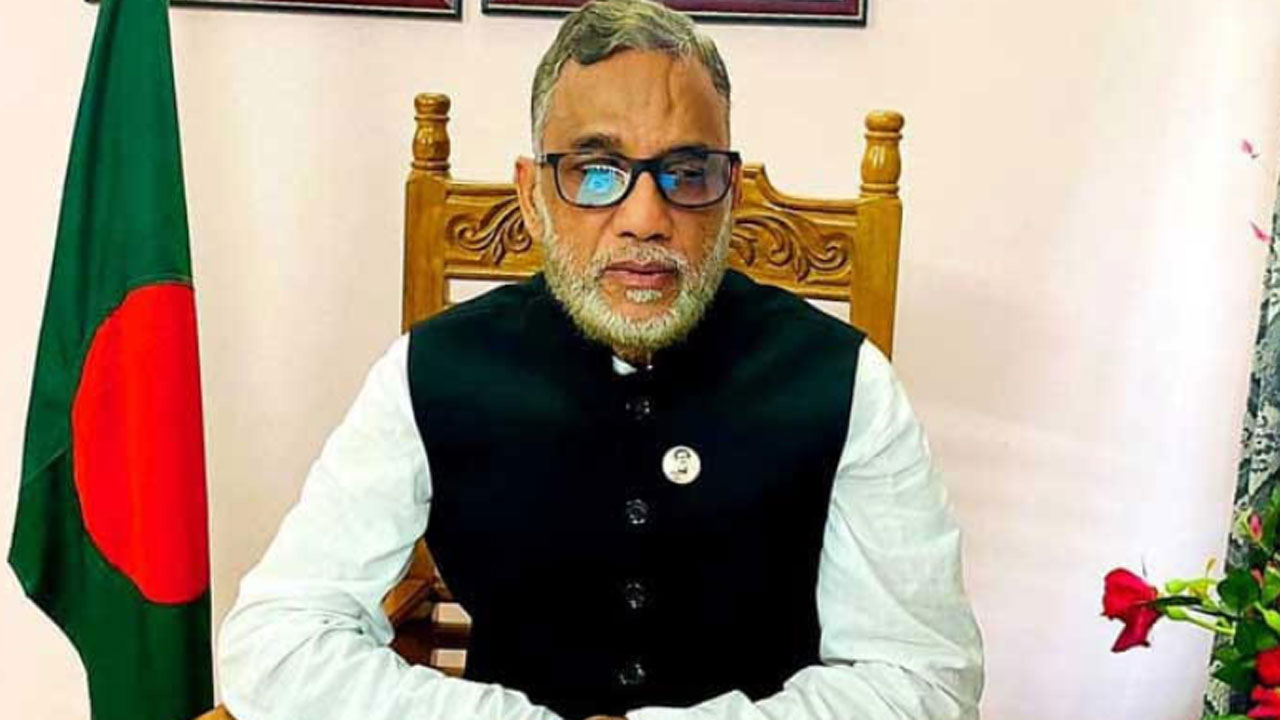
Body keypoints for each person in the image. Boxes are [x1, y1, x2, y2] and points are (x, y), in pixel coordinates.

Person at [217, 0, 984, 718]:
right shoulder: (429, 372)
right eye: (594, 170)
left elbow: (924, 678)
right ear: (532, 196)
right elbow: (274, 644)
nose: (645, 218)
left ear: (731, 194)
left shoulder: (845, 382)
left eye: (688, 172)